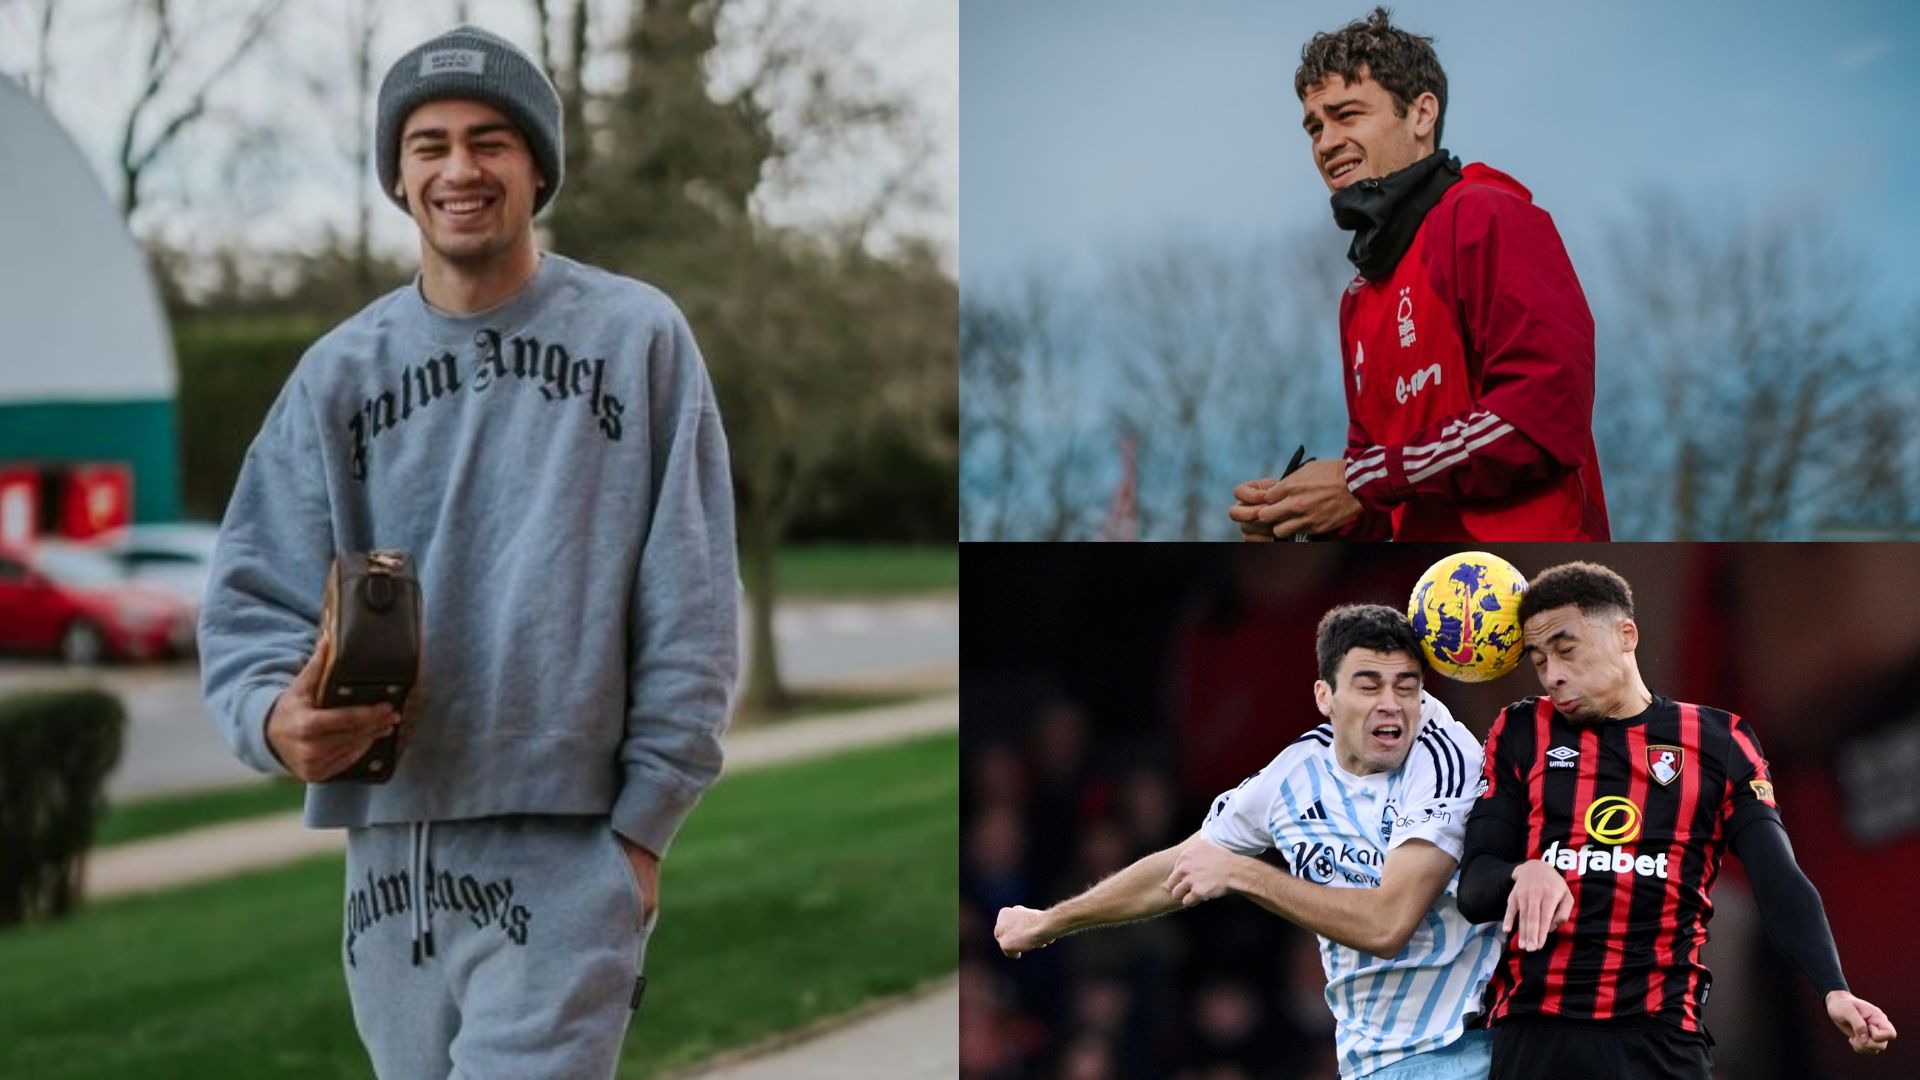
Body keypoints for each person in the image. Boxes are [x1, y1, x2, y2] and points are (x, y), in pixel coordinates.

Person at [197, 25, 738, 1080]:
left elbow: (694, 599)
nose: (460, 169)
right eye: (430, 143)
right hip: (390, 860)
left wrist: (641, 833)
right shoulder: (336, 376)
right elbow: (251, 599)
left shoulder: (637, 339)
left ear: (539, 166)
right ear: (398, 177)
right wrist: (274, 720)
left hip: (569, 845)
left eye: (491, 141)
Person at [994, 605, 1501, 1080]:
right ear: (1325, 696)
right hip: (1372, 1058)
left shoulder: (1444, 761)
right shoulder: (1295, 774)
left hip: (1463, 1048)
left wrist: (1245, 873)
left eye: (1406, 687)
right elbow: (1183, 867)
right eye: (1369, 686)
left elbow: (1386, 925)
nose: (1391, 705)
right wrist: (1051, 921)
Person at [1456, 562, 1896, 1079]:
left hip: (1661, 1034)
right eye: (1539, 659)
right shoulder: (1521, 729)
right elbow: (1475, 884)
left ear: (1626, 635)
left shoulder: (1718, 740)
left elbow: (1777, 876)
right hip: (1536, 1033)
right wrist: (1520, 872)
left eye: (1567, 649)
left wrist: (1832, 987)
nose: (1553, 674)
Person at [1229, 7, 1609, 541]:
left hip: (1527, 583)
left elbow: (1541, 420)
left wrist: (1360, 480)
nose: (1325, 141)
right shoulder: (1359, 296)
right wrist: (1297, 517)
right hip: (1422, 598)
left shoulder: (1486, 215)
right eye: (1315, 126)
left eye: (1348, 115)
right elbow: (1383, 496)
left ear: (1421, 114)